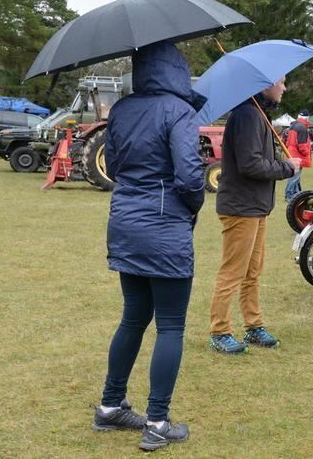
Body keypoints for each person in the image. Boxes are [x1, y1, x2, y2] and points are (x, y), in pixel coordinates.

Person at [94, 42, 205, 451]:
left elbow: (117, 165)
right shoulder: (179, 111)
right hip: (164, 227)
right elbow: (191, 176)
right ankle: (157, 421)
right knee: (171, 324)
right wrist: (192, 209)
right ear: (176, 69)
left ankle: (110, 406)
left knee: (133, 318)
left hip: (125, 222)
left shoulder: (121, 110)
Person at [209, 76, 301, 354]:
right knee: (233, 272)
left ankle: (253, 326)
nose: (284, 88)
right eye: (281, 82)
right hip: (241, 208)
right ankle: (219, 331)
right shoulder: (247, 115)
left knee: (252, 272)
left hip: (256, 207)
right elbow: (251, 164)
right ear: (265, 84)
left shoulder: (257, 114)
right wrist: (286, 168)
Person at [284, 110, 313, 200]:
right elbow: (302, 145)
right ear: (307, 118)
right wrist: (307, 153)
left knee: (295, 176)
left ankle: (297, 194)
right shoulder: (302, 128)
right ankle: (289, 195)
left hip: (290, 153)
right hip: (298, 155)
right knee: (294, 177)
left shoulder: (293, 125)